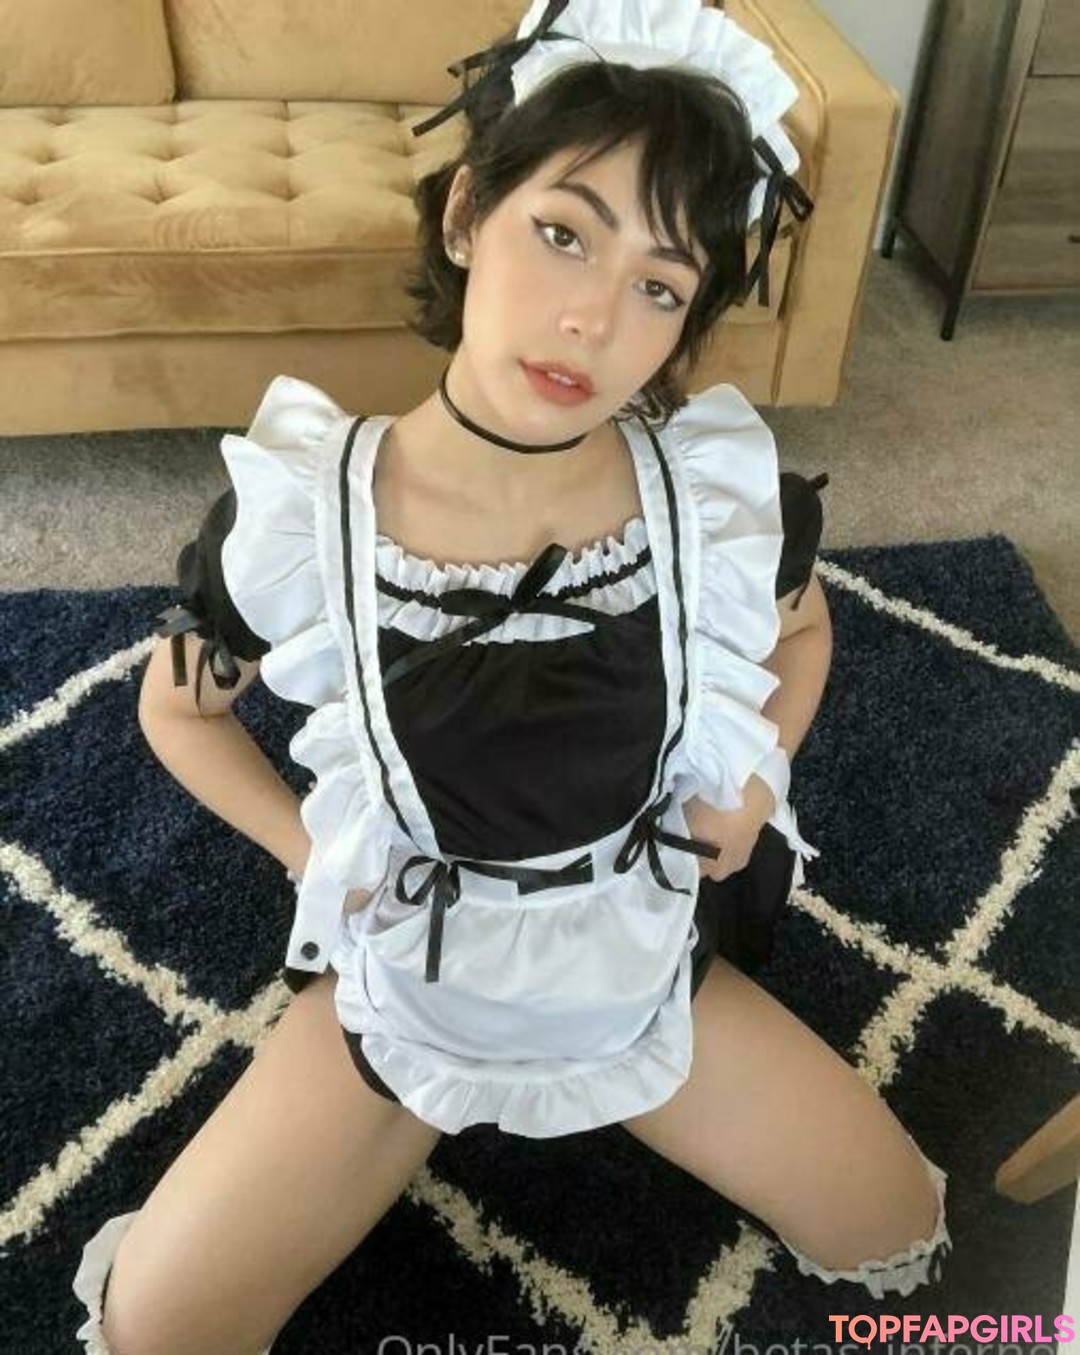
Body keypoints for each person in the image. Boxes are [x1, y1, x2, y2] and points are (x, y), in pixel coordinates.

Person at [73, 1, 951, 1350]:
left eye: (660, 285)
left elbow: (802, 634)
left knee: (894, 1227)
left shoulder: (718, 507)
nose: (593, 318)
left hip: (635, 958)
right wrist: (309, 850)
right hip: (406, 981)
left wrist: (754, 781)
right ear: (467, 213)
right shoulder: (301, 518)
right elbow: (177, 703)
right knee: (159, 1331)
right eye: (564, 233)